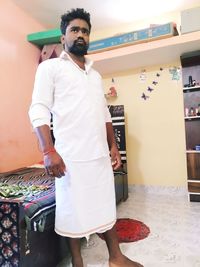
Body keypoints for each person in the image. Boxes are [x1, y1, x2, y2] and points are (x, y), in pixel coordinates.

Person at [29, 8, 143, 267]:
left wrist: (113, 146)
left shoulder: (95, 74)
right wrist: (48, 151)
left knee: (105, 205)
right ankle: (78, 263)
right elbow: (38, 108)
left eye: (85, 31)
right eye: (75, 30)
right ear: (63, 38)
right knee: (72, 211)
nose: (81, 35)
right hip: (71, 158)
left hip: (99, 157)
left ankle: (116, 258)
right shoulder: (50, 69)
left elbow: (104, 112)